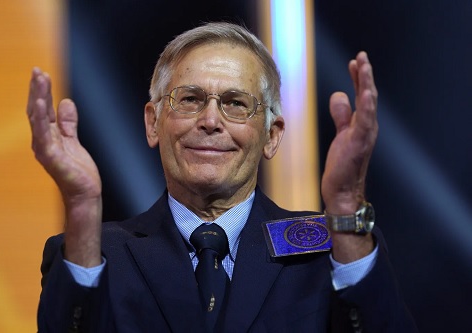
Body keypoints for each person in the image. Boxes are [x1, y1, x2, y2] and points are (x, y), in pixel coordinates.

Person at [27, 22, 417, 332]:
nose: (210, 121)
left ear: (272, 135)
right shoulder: (98, 253)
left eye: (235, 103)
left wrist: (346, 206)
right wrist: (81, 207)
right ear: (153, 123)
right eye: (190, 99)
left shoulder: (329, 247)